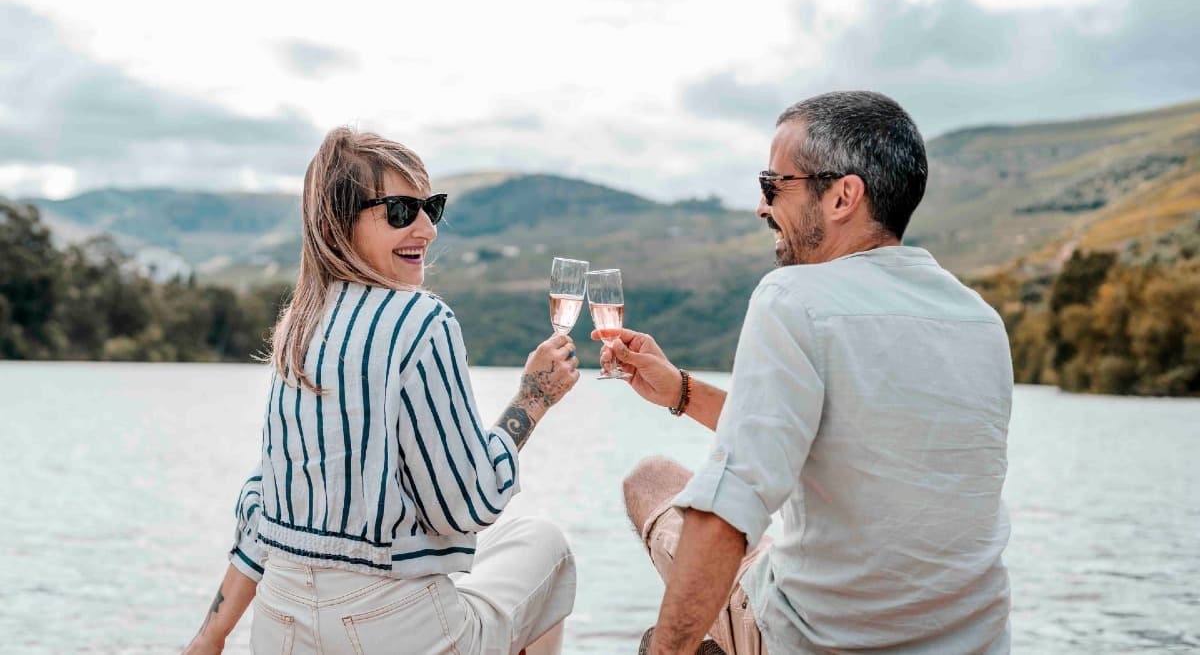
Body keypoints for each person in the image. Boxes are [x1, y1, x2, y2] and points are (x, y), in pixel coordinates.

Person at [601, 91, 1013, 655]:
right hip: (975, 643)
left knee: (650, 480)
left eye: (774, 186)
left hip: (822, 643)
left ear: (843, 195)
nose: (762, 207)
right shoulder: (980, 320)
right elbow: (837, 438)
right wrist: (682, 392)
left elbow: (727, 512)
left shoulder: (793, 297)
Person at [183, 127, 579, 654]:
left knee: (501, 550)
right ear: (338, 224)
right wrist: (532, 399)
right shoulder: (421, 320)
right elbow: (464, 506)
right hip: (388, 631)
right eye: (399, 211)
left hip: (278, 627)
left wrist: (212, 634)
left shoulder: (297, 327)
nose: (427, 230)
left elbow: (263, 501)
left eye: (430, 207)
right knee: (546, 547)